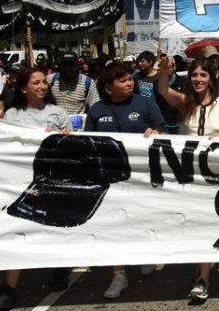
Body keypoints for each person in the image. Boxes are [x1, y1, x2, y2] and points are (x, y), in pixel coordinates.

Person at [156, 56, 219, 300]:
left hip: (215, 176)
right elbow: (162, 90)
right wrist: (163, 70)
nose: (197, 79)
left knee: (206, 224)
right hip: (188, 175)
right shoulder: (184, 102)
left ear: (212, 78)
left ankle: (202, 278)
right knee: (193, 224)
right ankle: (200, 269)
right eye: (194, 75)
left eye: (203, 75)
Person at [0, 68, 72, 309]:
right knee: (16, 231)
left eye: (44, 82)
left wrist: (61, 135)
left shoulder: (58, 113)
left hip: (51, 181)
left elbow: (72, 146)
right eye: (36, 82)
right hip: (18, 182)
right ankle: (9, 288)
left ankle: (59, 266)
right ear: (23, 88)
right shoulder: (13, 115)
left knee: (53, 228)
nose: (42, 86)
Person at [85, 61, 166, 299]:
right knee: (113, 227)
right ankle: (119, 275)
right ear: (109, 87)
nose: (129, 82)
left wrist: (156, 133)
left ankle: (144, 254)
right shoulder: (96, 110)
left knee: (141, 218)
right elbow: (88, 142)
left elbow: (165, 134)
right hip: (109, 178)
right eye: (122, 80)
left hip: (142, 177)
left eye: (130, 78)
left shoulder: (146, 104)